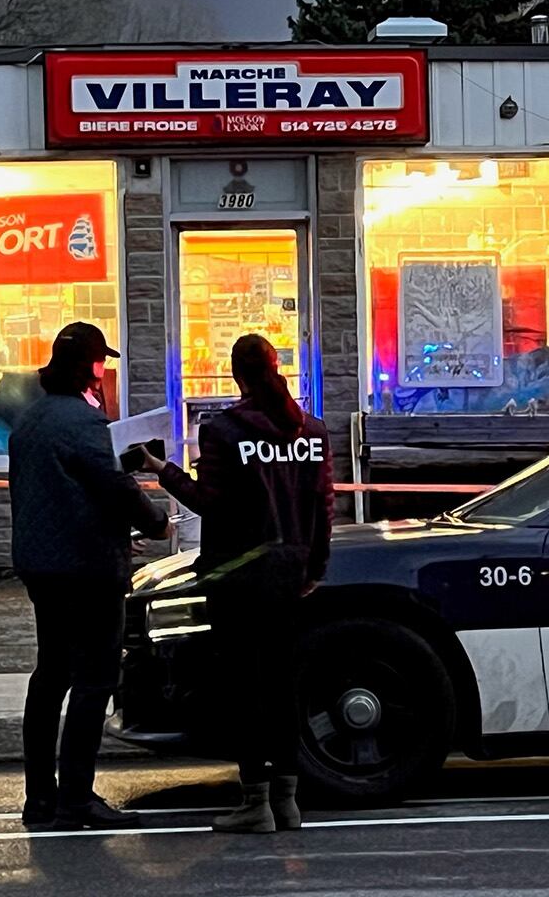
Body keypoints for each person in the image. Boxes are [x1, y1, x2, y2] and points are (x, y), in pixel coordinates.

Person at [138, 334, 335, 834]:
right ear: (276, 367)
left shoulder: (223, 432)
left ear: (236, 375)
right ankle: (288, 802)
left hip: (238, 578)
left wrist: (163, 471)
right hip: (290, 576)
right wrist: (315, 568)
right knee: (284, 686)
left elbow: (211, 503)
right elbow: (323, 504)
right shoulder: (311, 431)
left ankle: (255, 802)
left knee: (246, 688)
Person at [10, 322, 170, 831]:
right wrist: (157, 523)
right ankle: (76, 799)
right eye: (102, 363)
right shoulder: (84, 421)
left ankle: (40, 799)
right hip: (88, 572)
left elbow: (62, 495)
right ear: (90, 368)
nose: (104, 373)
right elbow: (114, 486)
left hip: (43, 567)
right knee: (95, 679)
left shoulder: (30, 420)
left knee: (50, 677)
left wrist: (114, 531)